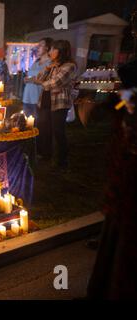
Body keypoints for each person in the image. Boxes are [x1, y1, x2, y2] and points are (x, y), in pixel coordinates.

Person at [86, 58, 137, 299]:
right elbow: (110, 109)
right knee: (115, 236)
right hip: (122, 180)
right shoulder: (123, 100)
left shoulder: (129, 100)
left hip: (130, 185)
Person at [31, 40, 77, 170]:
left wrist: (40, 82)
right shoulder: (51, 64)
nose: (50, 52)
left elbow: (55, 83)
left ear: (60, 51)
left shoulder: (69, 66)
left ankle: (62, 161)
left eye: (52, 49)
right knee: (43, 129)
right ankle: (45, 155)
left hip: (59, 103)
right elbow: (39, 78)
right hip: (45, 101)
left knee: (58, 132)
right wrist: (46, 69)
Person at [22, 38, 53, 118]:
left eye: (41, 45)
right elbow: (30, 76)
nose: (38, 47)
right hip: (27, 97)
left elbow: (49, 80)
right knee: (26, 124)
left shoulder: (50, 63)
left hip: (38, 99)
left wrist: (34, 80)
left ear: (47, 47)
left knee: (37, 125)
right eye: (38, 45)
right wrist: (26, 79)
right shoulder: (35, 62)